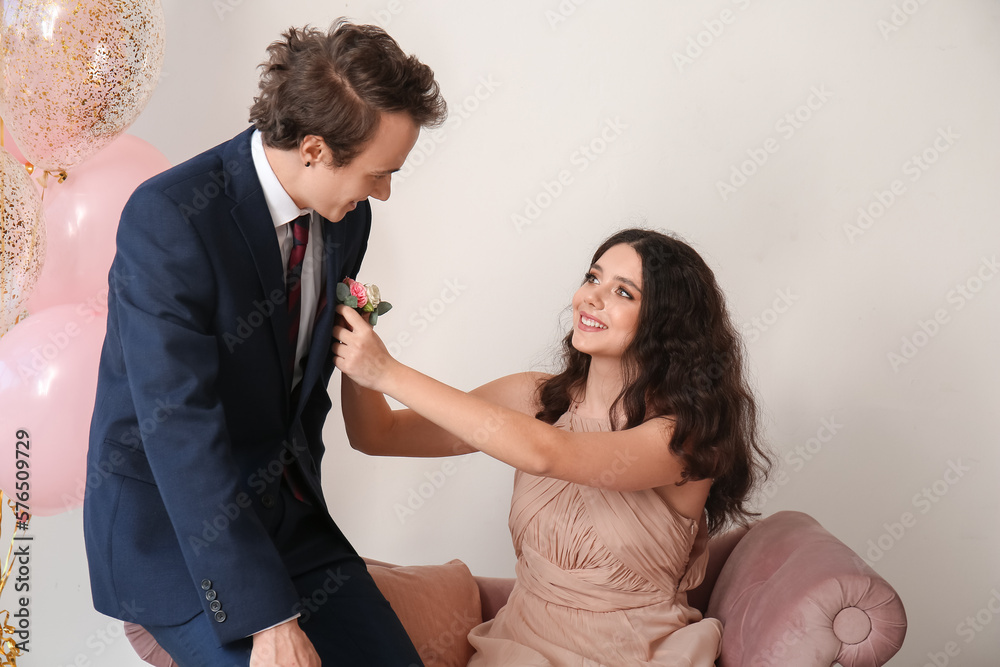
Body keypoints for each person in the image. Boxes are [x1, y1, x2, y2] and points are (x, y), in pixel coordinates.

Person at [83, 20, 446, 666]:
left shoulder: (348, 217)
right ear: (314, 148)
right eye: (379, 173)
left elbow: (298, 380)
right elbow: (180, 428)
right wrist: (268, 615)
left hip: (290, 521)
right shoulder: (170, 217)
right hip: (175, 537)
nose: (384, 192)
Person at [333, 228, 772, 666]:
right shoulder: (536, 398)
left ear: (667, 324)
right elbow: (377, 435)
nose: (592, 297)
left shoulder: (681, 436)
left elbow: (549, 454)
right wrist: (356, 354)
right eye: (593, 278)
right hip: (515, 648)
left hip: (629, 656)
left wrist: (387, 372)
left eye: (623, 292)